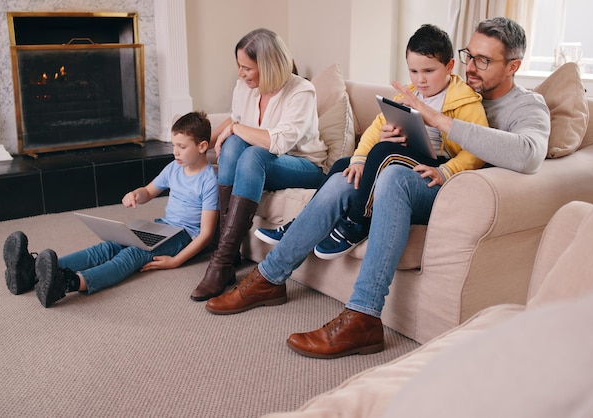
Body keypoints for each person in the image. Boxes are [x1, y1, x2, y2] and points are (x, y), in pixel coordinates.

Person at [205, 16, 550, 359]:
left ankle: (364, 315)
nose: (470, 66)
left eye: (484, 60)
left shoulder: (524, 105)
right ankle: (269, 277)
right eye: (468, 55)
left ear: (513, 66)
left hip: (450, 188)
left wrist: (438, 124)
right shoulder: (437, 89)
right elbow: (388, 129)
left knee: (393, 176)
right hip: (415, 169)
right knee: (347, 175)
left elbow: (529, 155)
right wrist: (375, 148)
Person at [256, 24, 489, 260]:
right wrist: (358, 160)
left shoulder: (465, 101)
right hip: (405, 156)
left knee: (384, 150)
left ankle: (358, 221)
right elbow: (373, 130)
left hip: (433, 167)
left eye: (429, 71)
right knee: (342, 166)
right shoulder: (408, 95)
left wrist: (445, 170)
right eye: (414, 72)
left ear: (449, 66)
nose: (421, 80)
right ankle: (301, 224)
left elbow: (477, 152)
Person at [3, 111, 219, 307]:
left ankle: (69, 282)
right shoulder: (174, 168)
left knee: (132, 255)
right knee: (109, 246)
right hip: (162, 227)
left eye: (182, 147)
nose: (175, 152)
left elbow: (206, 233)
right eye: (173, 145)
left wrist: (176, 261)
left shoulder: (209, 181)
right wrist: (136, 194)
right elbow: (148, 191)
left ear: (201, 146)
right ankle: (31, 273)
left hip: (183, 236)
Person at [191, 28, 328, 302]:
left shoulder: (302, 90)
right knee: (232, 147)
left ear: (268, 66)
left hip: (305, 167)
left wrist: (237, 128)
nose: (240, 74)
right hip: (265, 162)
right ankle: (226, 259)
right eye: (239, 66)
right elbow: (235, 120)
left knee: (252, 154)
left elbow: (277, 143)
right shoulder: (245, 88)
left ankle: (221, 260)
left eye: (246, 68)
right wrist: (201, 148)